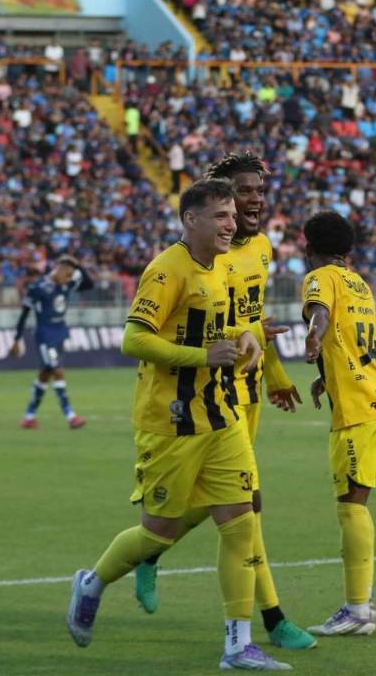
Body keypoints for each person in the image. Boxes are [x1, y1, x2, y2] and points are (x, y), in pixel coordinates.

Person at [65, 179, 291, 671]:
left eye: (233, 216)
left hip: (223, 415)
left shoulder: (227, 266)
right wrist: (203, 356)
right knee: (158, 533)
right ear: (192, 220)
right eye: (221, 216)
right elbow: (133, 339)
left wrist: (251, 339)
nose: (232, 224)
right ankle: (93, 582)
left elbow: (238, 322)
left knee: (239, 526)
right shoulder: (167, 270)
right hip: (170, 422)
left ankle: (237, 644)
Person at [132, 154, 314, 651]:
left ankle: (148, 550)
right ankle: (272, 619)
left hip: (244, 389)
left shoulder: (261, 248)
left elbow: (251, 321)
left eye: (256, 191)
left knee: (229, 505)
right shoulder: (199, 256)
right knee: (245, 507)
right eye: (240, 193)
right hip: (203, 393)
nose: (250, 201)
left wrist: (273, 376)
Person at [300, 211, 376, 636]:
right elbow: (353, 336)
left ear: (310, 249)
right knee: (355, 503)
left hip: (359, 412)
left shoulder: (319, 277)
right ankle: (359, 605)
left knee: (351, 506)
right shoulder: (360, 282)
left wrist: (311, 335)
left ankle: (357, 610)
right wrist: (326, 376)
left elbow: (322, 316)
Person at [10, 256, 94, 430]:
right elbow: (24, 314)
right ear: (58, 270)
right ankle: (71, 417)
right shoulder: (38, 288)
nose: (70, 280)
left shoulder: (65, 282)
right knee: (58, 371)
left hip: (60, 334)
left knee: (45, 375)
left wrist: (77, 264)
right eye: (68, 275)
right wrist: (16, 339)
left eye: (71, 276)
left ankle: (28, 417)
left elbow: (89, 284)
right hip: (45, 336)